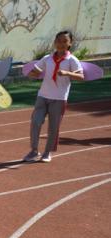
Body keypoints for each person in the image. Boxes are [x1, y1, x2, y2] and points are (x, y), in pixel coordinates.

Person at [23, 30, 84, 163]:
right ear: (55, 42)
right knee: (36, 122)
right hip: (43, 96)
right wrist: (31, 73)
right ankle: (34, 150)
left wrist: (67, 73)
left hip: (59, 98)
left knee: (53, 127)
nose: (61, 44)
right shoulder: (47, 58)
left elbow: (81, 76)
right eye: (59, 41)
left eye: (65, 41)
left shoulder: (72, 60)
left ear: (70, 44)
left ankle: (47, 152)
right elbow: (35, 72)